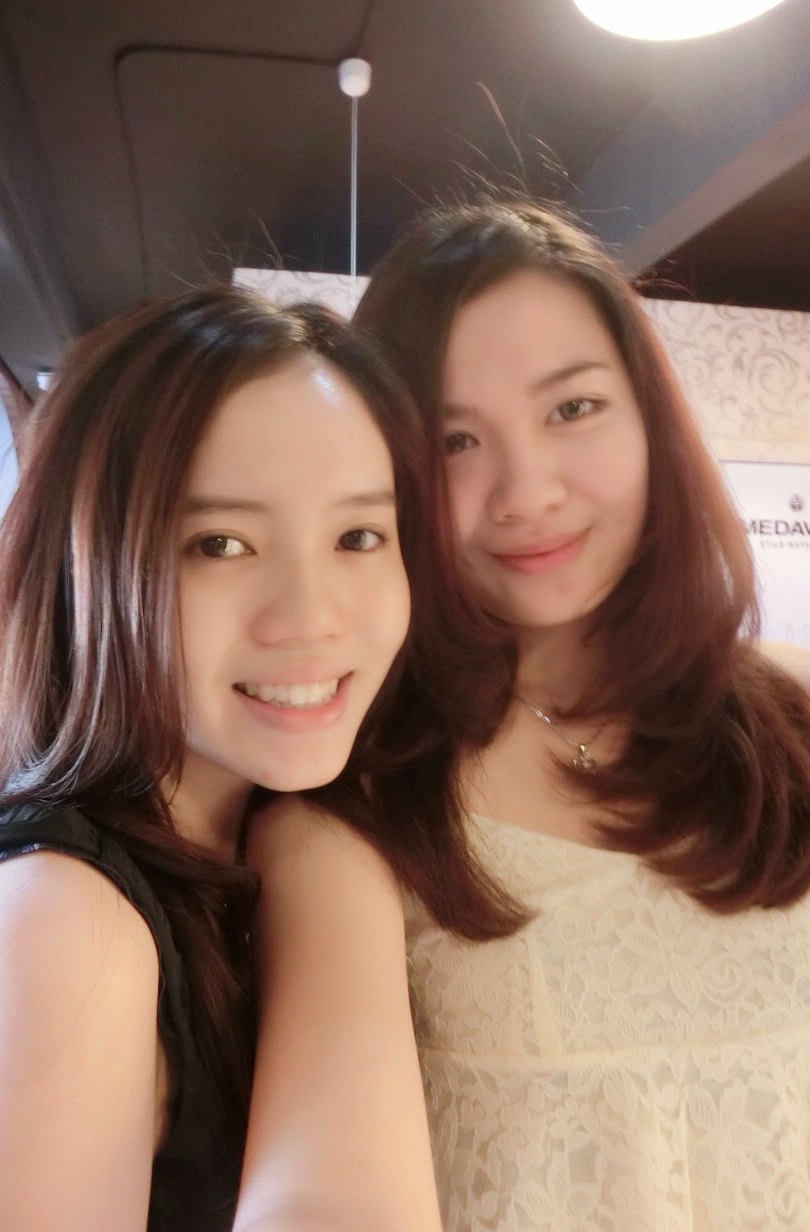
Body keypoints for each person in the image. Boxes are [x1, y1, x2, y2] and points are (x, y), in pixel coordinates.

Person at [240, 199, 810, 1232]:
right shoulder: (353, 816)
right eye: (456, 438)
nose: (526, 491)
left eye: (572, 408)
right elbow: (318, 1193)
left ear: (650, 418)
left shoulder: (794, 710)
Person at [0, 284, 457, 1232]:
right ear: (87, 569)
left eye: (358, 536)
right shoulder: (53, 928)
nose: (311, 617)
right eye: (220, 543)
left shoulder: (266, 850)